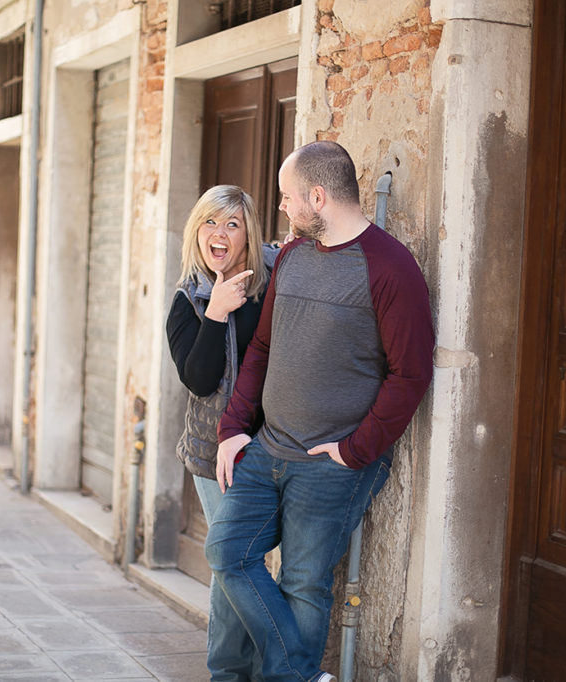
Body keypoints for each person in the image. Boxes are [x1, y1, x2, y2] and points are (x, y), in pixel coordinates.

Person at [205, 141, 435, 682]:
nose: (281, 207)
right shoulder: (290, 256)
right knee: (228, 554)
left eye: (288, 197)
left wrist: (354, 452)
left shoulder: (390, 268)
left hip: (334, 462)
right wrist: (235, 428)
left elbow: (411, 374)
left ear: (318, 196)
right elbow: (262, 348)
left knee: (305, 582)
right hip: (269, 449)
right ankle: (302, 677)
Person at [166, 184, 278, 681]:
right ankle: (230, 672)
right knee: (233, 557)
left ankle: (250, 667)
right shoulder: (187, 301)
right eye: (211, 223)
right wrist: (215, 311)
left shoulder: (268, 284)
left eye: (233, 224)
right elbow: (199, 378)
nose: (221, 233)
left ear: (247, 234)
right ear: (198, 232)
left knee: (245, 559)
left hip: (274, 448)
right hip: (214, 456)